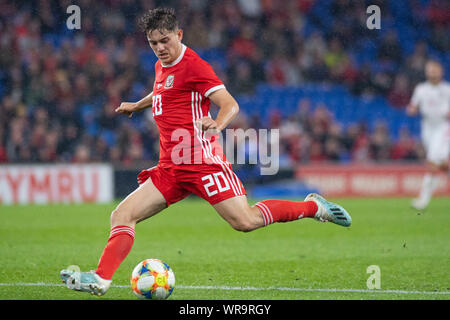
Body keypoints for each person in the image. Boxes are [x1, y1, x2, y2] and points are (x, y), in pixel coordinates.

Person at [60, 8, 352, 296]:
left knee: (245, 221)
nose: (160, 48)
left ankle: (314, 208)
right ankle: (100, 279)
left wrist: (217, 123)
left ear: (179, 34)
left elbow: (230, 104)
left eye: (165, 41)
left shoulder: (195, 66)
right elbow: (163, 92)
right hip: (171, 168)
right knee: (122, 215)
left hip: (201, 162)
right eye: (153, 43)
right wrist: (138, 105)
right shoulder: (161, 65)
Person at [407, 59, 450, 210]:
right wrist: (411, 109)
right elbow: (413, 105)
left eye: (434, 69)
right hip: (427, 127)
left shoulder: (447, 89)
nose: (431, 72)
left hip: (443, 126)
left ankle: (422, 200)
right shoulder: (421, 89)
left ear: (440, 71)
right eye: (429, 70)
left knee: (432, 160)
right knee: (442, 163)